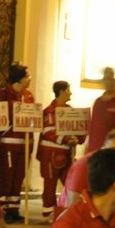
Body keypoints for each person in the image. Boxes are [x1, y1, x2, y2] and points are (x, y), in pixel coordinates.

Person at [0, 64, 35, 221]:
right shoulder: (3, 95)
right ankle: (3, 209)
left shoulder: (29, 96)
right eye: (27, 76)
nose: (30, 79)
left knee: (19, 177)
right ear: (19, 78)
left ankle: (14, 209)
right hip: (8, 143)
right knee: (7, 177)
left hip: (25, 144)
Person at [38, 81, 82, 214]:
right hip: (51, 153)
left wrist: (77, 138)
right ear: (61, 92)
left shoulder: (69, 111)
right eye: (68, 90)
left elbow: (77, 129)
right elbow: (48, 131)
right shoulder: (50, 112)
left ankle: (70, 208)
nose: (71, 93)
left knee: (70, 181)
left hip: (66, 153)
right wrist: (67, 139)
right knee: (50, 184)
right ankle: (50, 210)